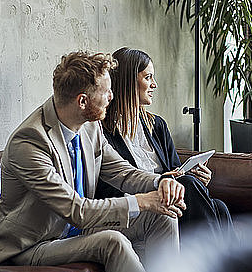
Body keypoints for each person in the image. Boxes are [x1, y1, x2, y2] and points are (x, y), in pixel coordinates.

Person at [0, 51, 186, 272]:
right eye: (106, 92)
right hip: (32, 244)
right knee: (111, 242)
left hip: (75, 232)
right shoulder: (30, 143)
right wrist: (141, 201)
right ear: (82, 101)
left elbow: (121, 172)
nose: (112, 97)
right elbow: (78, 211)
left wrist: (160, 182)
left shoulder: (90, 126)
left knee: (163, 217)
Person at [98, 47, 236, 240]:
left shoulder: (157, 125)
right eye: (148, 78)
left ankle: (229, 267)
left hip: (171, 198)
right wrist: (166, 183)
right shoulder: (101, 131)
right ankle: (227, 267)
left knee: (218, 206)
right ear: (128, 82)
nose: (154, 84)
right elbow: (108, 185)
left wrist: (196, 176)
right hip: (141, 204)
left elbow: (176, 170)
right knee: (195, 190)